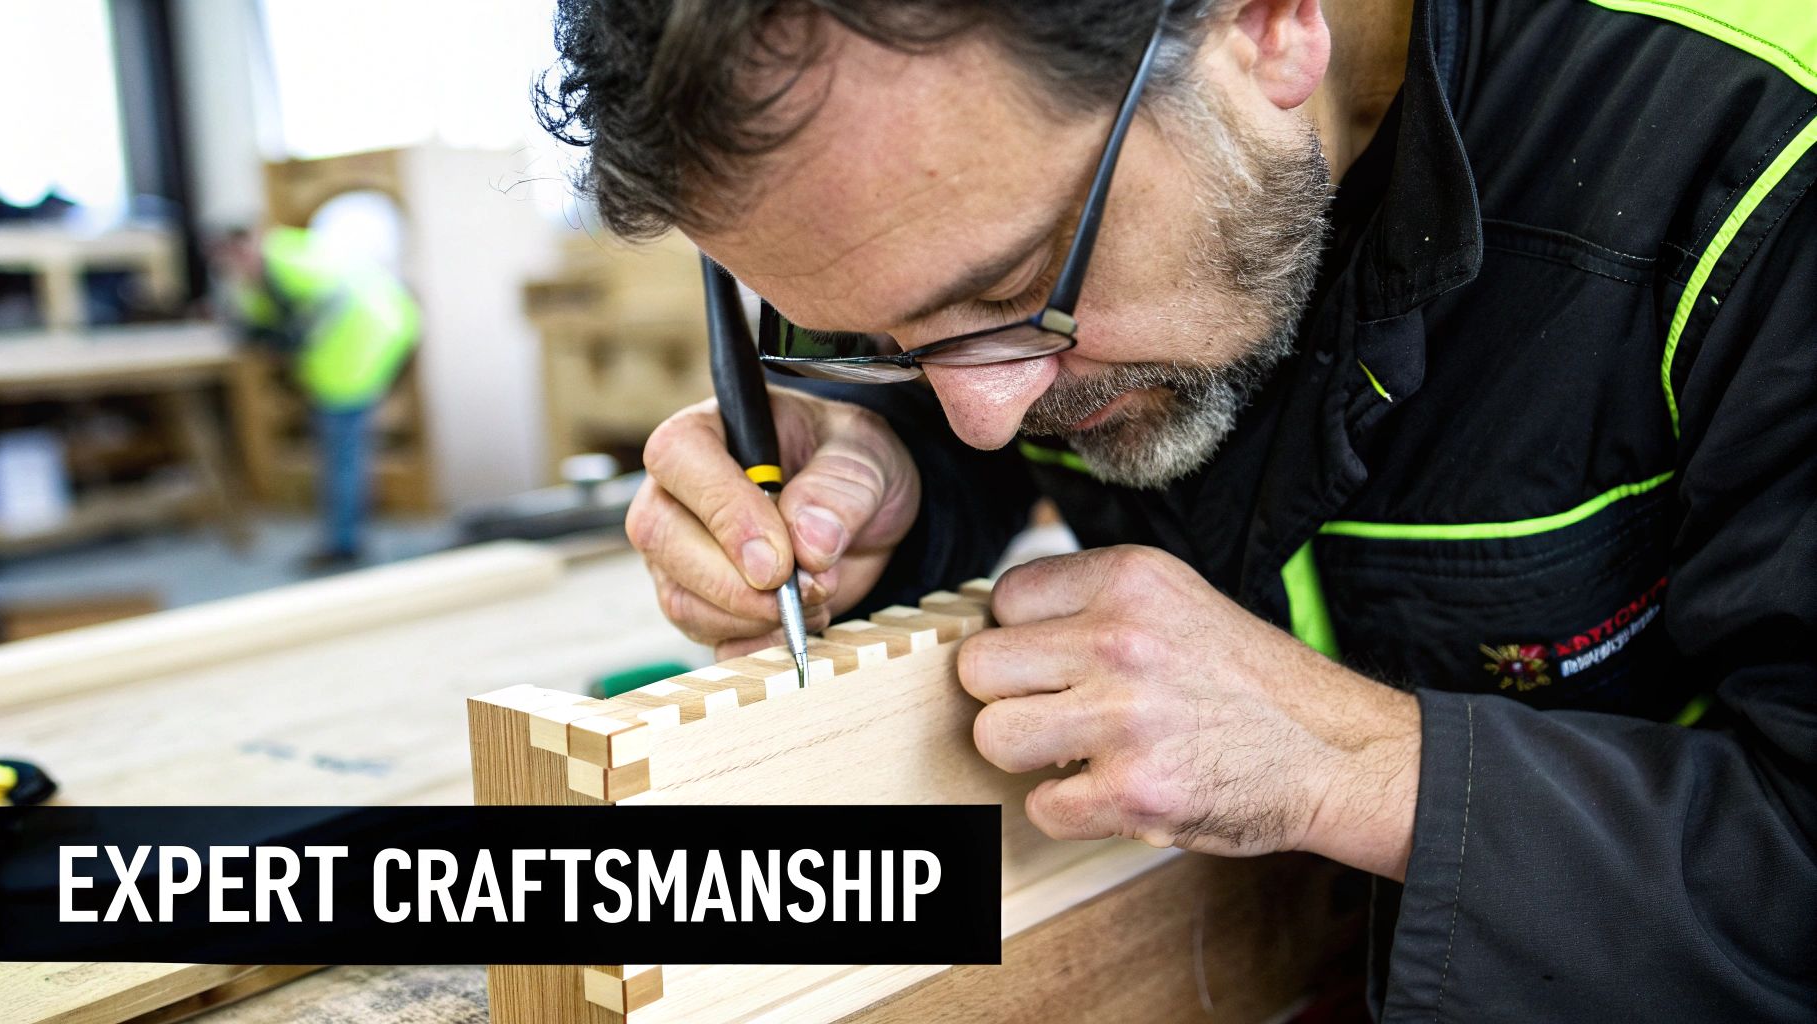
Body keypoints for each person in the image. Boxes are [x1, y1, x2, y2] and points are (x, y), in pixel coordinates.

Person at [540, 0, 1816, 1017]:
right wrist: (887, 484)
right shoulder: (1002, 188)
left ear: (1265, 23)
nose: (982, 408)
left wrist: (1351, 763)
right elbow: (973, 429)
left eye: (1014, 288)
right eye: (880, 335)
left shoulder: (1762, 161)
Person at [214, 225, 419, 570]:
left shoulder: (291, 263)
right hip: (349, 348)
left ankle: (344, 544)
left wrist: (293, 336)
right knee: (343, 449)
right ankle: (345, 538)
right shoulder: (262, 279)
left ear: (253, 244)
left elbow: (328, 305)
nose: (238, 264)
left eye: (241, 254)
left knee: (342, 450)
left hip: (357, 347)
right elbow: (258, 328)